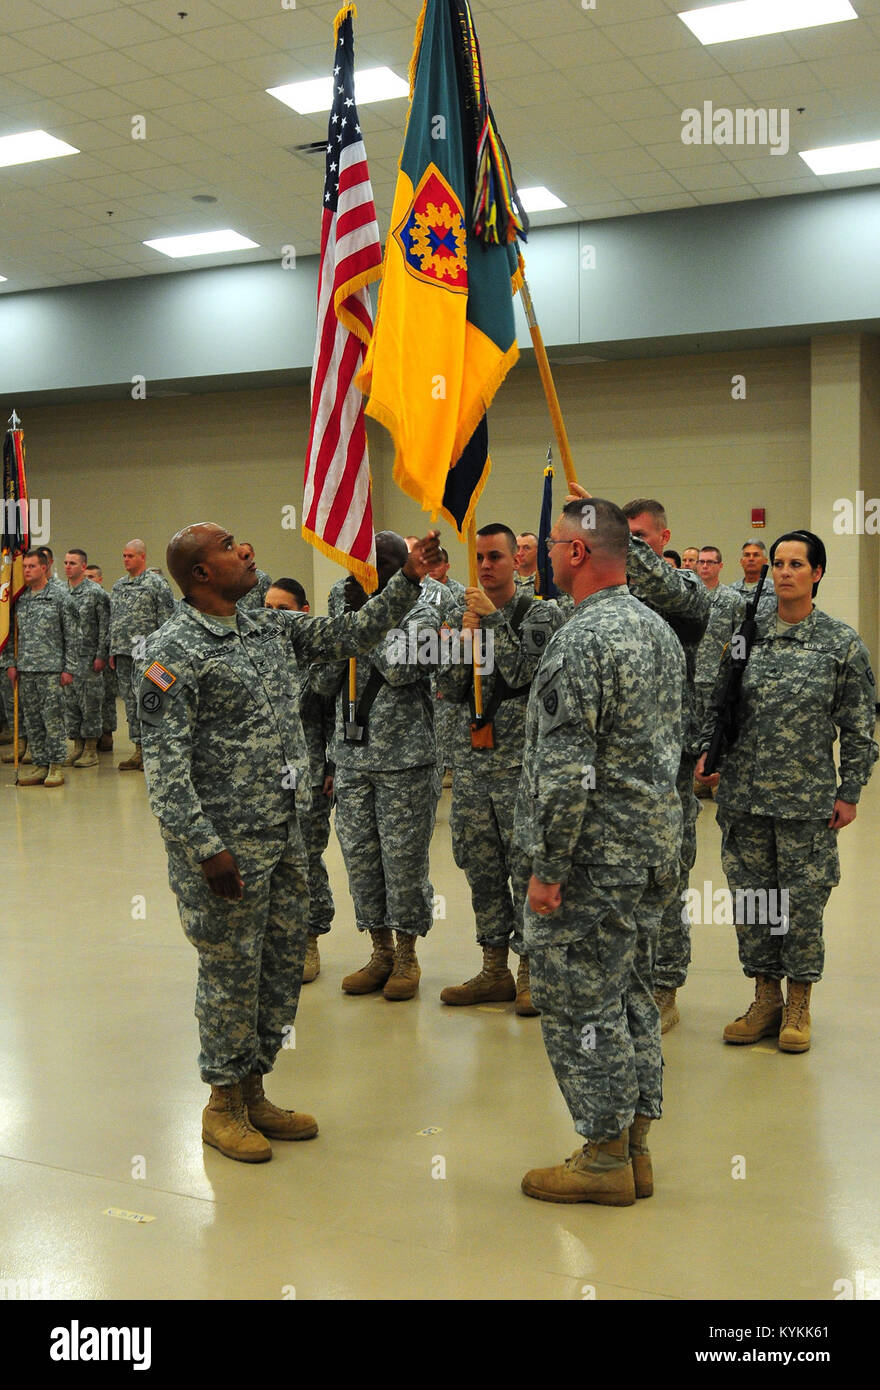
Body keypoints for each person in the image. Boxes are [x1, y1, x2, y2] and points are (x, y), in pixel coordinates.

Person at [135, 521, 441, 1162]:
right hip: (227, 853)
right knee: (229, 975)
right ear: (200, 574)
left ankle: (254, 1089)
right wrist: (204, 848)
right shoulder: (170, 651)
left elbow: (348, 634)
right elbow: (165, 773)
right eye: (227, 546)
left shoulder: (267, 628)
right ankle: (221, 1105)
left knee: (276, 973)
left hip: (287, 839)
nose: (246, 549)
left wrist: (408, 581)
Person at [516, 499, 683, 1205]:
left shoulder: (580, 641)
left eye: (555, 544)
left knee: (581, 1003)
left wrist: (548, 869)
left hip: (592, 859)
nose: (548, 556)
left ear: (578, 554)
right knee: (630, 993)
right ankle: (636, 1147)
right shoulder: (657, 630)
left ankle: (603, 1156)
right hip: (649, 853)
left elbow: (566, 770)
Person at [696, 530, 878, 1053]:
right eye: (778, 563)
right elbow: (719, 700)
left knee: (801, 904)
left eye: (797, 564)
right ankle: (765, 996)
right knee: (754, 902)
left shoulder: (840, 643)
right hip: (744, 799)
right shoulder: (745, 636)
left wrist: (851, 792)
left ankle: (799, 1002)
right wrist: (711, 753)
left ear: (817, 574)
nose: (784, 572)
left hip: (807, 802)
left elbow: (860, 727)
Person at [436, 523, 564, 1014]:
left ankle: (531, 969)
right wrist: (458, 645)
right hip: (470, 766)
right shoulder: (459, 613)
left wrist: (491, 624)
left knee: (523, 865)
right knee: (480, 866)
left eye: (496, 556)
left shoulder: (538, 613)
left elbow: (525, 675)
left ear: (517, 560)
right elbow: (445, 687)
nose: (487, 566)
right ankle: (494, 969)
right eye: (481, 558)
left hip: (519, 767)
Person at [312, 533, 442, 1002]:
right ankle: (380, 950)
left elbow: (402, 667)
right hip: (349, 753)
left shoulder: (424, 601)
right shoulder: (341, 596)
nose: (358, 574)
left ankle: (407, 955)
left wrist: (363, 622)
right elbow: (324, 677)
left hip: (403, 756)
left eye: (371, 565)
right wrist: (342, 627)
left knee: (403, 862)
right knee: (361, 861)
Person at [264, 578, 336, 985]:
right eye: (268, 608)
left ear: (303, 612)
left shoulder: (317, 656)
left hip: (307, 774)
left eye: (282, 609)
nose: (273, 616)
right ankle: (276, 941)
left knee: (306, 857)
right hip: (265, 775)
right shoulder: (254, 653)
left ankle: (309, 938)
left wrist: (331, 768)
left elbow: (332, 717)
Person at [5, 549, 81, 787]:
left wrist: (69, 668)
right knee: (33, 721)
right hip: (26, 670)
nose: (27, 570)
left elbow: (73, 635)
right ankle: (39, 763)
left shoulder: (60, 596)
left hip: (52, 670)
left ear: (44, 567)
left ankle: (56, 766)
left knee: (53, 720)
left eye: (31, 566)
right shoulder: (20, 599)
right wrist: (10, 663)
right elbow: (8, 635)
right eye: (24, 566)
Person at [110, 539, 174, 771]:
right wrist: (112, 649)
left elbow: (167, 619)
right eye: (124, 555)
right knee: (130, 702)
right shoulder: (118, 586)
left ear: (142, 557)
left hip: (148, 653)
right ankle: (138, 749)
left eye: (130, 556)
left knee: (152, 698)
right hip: (124, 653)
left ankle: (156, 748)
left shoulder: (156, 584)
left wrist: (163, 653)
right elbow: (114, 619)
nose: (126, 559)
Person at [692, 546, 744, 800]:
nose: (704, 566)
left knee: (718, 730)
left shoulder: (733, 600)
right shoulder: (689, 598)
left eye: (711, 562)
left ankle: (717, 779)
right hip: (693, 677)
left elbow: (740, 641)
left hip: (718, 677)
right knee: (694, 731)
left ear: (720, 566)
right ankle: (699, 779)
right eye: (701, 562)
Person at [63, 549, 108, 768]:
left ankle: (91, 749)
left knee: (90, 704)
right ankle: (77, 746)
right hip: (69, 660)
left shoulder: (95, 592)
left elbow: (104, 626)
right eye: (65, 562)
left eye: (72, 563)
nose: (67, 566)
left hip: (89, 658)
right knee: (71, 704)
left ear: (83, 566)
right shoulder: (62, 592)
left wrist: (101, 655)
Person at [85, 564, 116, 751]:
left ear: (100, 579)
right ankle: (92, 734)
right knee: (90, 698)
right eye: (86, 576)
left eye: (92, 577)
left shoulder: (106, 599)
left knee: (107, 696)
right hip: (87, 654)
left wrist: (105, 653)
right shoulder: (82, 599)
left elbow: (108, 627)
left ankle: (106, 732)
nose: (88, 580)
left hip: (104, 653)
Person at [237, 543, 272, 610]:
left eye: (248, 555)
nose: (245, 557)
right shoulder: (234, 577)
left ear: (253, 555)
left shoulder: (262, 578)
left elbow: (267, 605)